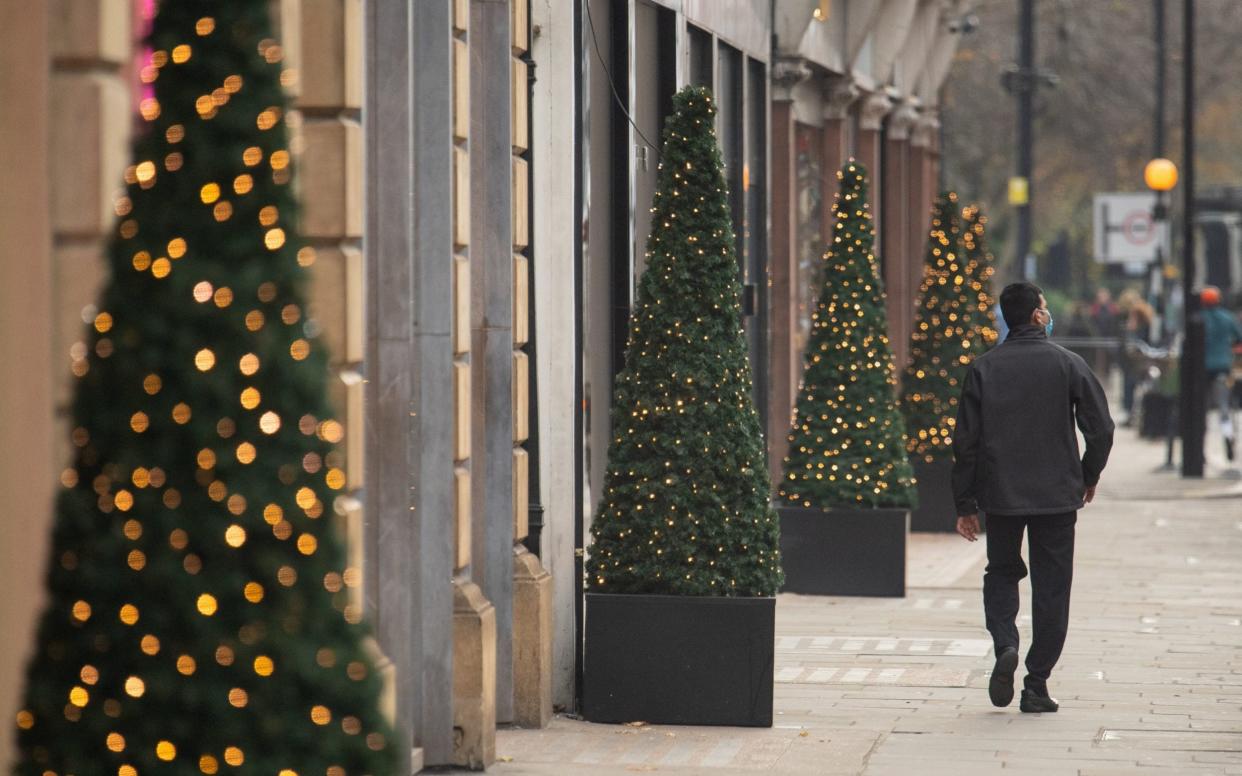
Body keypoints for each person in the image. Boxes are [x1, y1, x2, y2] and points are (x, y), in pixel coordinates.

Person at [952, 282, 1115, 713]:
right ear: (1039, 316)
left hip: (1002, 495)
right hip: (1057, 496)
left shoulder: (983, 369)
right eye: (1044, 307)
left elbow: (965, 443)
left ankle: (1005, 641)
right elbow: (1101, 429)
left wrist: (965, 504)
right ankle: (1036, 682)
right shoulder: (1068, 364)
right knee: (1052, 589)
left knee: (1002, 572)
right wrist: (1087, 475)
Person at [1201, 286, 1242, 461]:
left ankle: (1200, 449)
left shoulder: (1199, 318)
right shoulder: (1227, 318)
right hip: (1222, 368)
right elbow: (1239, 338)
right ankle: (1227, 437)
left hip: (1201, 369)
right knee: (1224, 407)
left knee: (1200, 410)